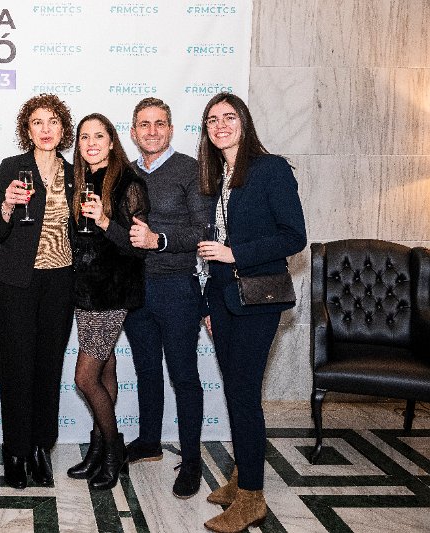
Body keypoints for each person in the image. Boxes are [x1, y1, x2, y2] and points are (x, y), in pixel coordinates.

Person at [197, 92, 306, 533]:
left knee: (243, 395)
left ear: (245, 122)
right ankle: (243, 475)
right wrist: (208, 305)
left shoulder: (270, 169)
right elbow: (210, 251)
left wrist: (235, 253)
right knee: (236, 393)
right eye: (212, 120)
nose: (220, 125)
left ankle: (252, 499)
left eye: (229, 117)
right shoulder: (218, 175)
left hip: (258, 300)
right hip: (224, 300)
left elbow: (294, 236)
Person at [126, 98, 215, 498]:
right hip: (136, 290)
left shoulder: (189, 170)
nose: (152, 131)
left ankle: (192, 459)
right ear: (133, 132)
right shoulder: (126, 174)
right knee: (146, 370)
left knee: (184, 376)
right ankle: (149, 442)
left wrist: (158, 240)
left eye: (159, 123)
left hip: (177, 288)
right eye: (144, 124)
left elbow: (202, 229)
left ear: (171, 129)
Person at [0, 94, 75, 489]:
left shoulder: (75, 173)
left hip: (60, 282)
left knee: (48, 365)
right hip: (17, 282)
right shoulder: (12, 167)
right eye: (37, 122)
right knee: (15, 365)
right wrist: (7, 206)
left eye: (53, 121)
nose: (45, 129)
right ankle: (15, 450)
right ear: (27, 129)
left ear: (63, 129)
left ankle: (42, 447)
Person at [66, 113, 149, 490]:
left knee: (84, 377)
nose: (91, 143)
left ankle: (114, 450)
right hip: (85, 291)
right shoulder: (81, 181)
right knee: (105, 371)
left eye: (98, 136)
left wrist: (103, 221)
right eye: (84, 137)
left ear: (112, 142)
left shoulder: (130, 183)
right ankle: (98, 449)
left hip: (112, 292)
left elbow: (137, 247)